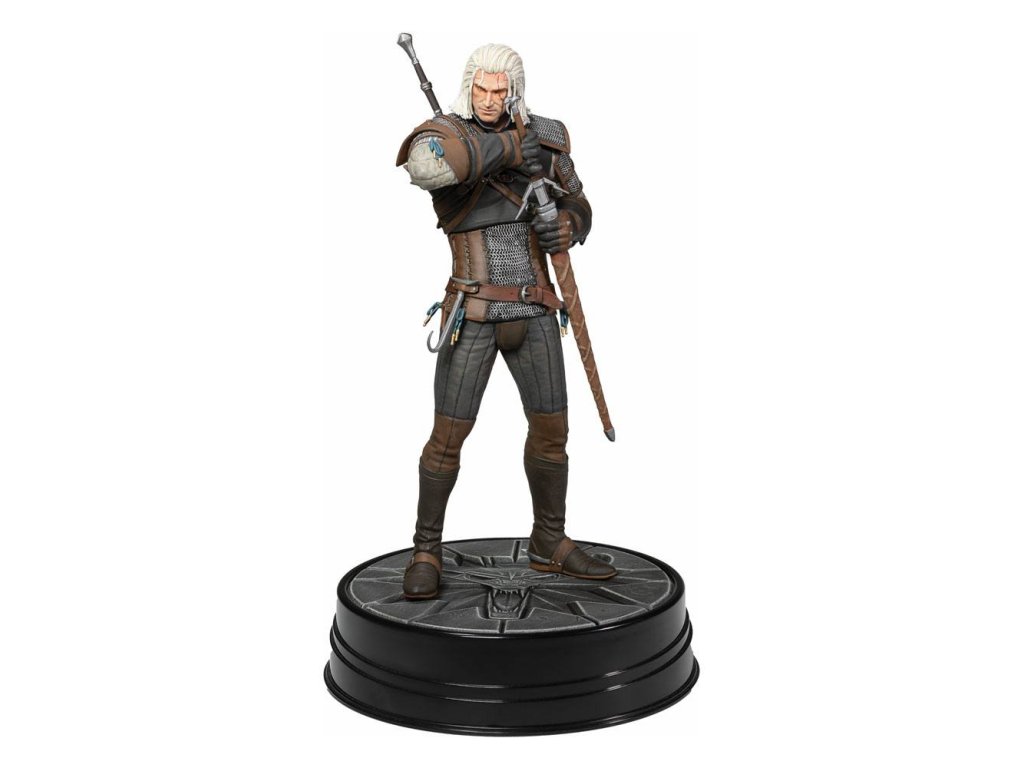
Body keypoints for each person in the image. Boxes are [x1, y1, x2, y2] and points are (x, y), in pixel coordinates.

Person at [395, 43, 616, 600]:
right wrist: (513, 147)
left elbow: (580, 201)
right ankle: (426, 548)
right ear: (468, 85)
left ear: (514, 91)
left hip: (536, 307)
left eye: (500, 91)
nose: (490, 100)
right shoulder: (444, 135)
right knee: (448, 438)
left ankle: (549, 541)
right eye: (481, 89)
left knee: (553, 434)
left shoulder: (547, 137)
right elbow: (428, 169)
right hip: (472, 311)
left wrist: (569, 224)